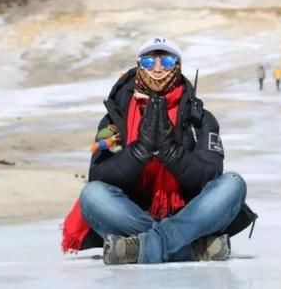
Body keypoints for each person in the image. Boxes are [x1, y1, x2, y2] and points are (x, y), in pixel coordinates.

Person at [61, 36, 257, 265]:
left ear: (178, 66)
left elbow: (210, 174)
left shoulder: (200, 118)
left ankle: (137, 248)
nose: (156, 69)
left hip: (189, 212)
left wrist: (170, 152)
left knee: (233, 184)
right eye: (147, 62)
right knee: (92, 195)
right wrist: (139, 152)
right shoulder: (116, 117)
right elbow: (99, 176)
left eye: (166, 62)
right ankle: (188, 248)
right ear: (138, 65)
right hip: (133, 214)